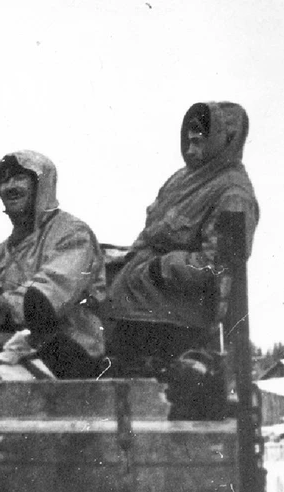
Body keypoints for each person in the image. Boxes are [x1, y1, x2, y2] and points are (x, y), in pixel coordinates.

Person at [106, 101, 259, 379]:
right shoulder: (182, 180)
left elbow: (219, 266)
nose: (189, 150)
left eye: (198, 142)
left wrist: (159, 268)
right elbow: (151, 231)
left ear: (220, 141)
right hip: (137, 310)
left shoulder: (233, 194)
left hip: (173, 324)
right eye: (188, 141)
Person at [0, 150, 107, 379]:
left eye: (19, 178)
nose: (10, 187)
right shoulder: (4, 249)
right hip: (15, 340)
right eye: (4, 181)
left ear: (41, 185)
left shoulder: (72, 233)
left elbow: (52, 289)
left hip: (69, 345)